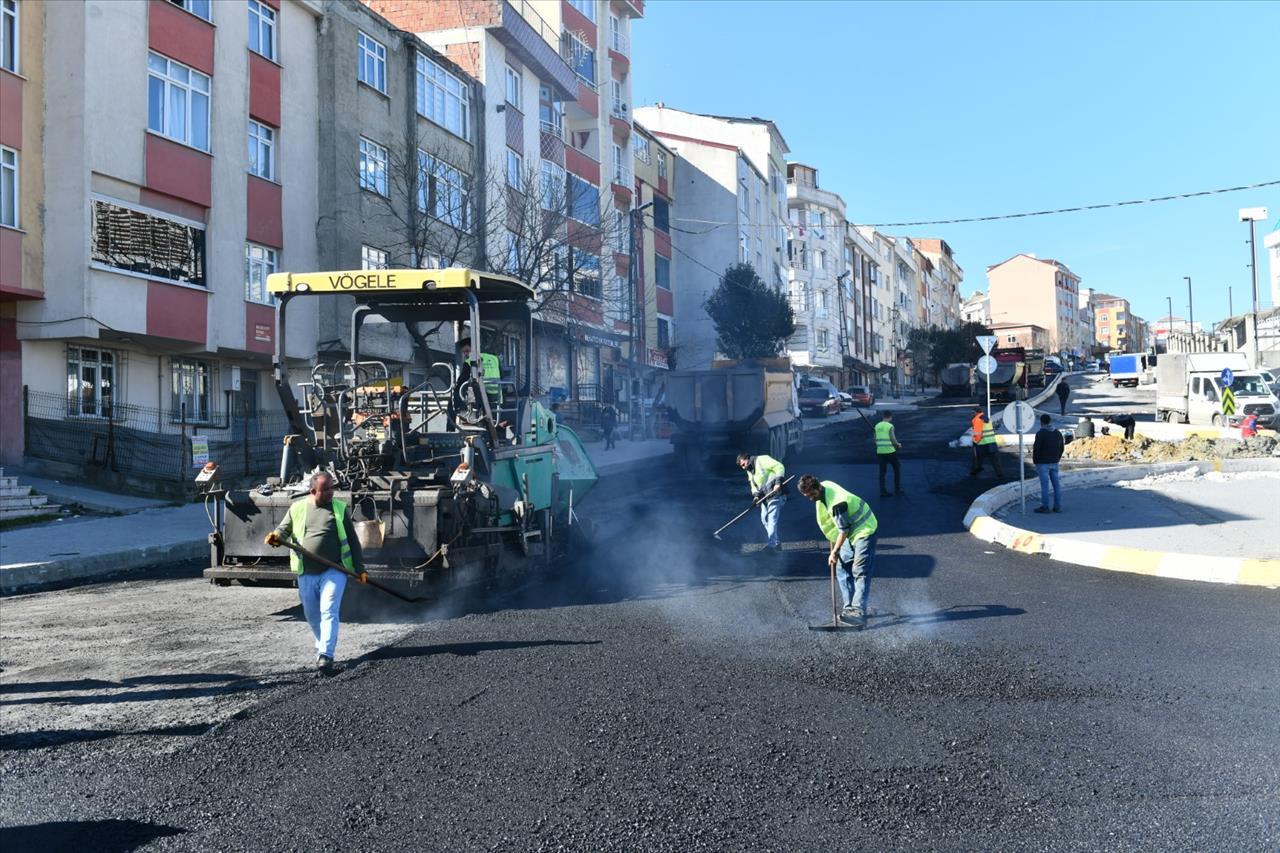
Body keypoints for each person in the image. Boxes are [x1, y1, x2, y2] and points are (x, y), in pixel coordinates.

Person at [265, 472, 367, 673]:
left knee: (328, 610)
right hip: (307, 571)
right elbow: (284, 529)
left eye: (332, 488)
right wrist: (275, 537)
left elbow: (353, 541)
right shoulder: (298, 508)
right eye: (325, 489)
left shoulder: (339, 508)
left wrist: (360, 568)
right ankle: (323, 647)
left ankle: (326, 655)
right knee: (312, 615)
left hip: (334, 569)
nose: (331, 492)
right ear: (313, 491)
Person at [798, 474, 877, 626]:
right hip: (851, 530)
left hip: (864, 529)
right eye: (807, 496)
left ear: (818, 487)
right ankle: (849, 608)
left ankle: (858, 610)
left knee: (860, 571)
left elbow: (843, 531)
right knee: (842, 567)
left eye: (812, 494)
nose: (811, 498)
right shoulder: (825, 484)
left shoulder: (837, 504)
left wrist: (833, 552)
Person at [737, 452, 786, 553]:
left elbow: (779, 466)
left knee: (771, 518)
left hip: (776, 493)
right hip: (765, 497)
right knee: (764, 518)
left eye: (743, 464)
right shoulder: (750, 470)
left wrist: (778, 483)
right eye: (741, 466)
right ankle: (776, 543)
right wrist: (756, 497)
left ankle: (772, 545)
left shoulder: (762, 459)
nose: (743, 467)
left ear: (747, 459)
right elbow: (753, 485)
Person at [1032, 414, 1064, 514]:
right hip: (1054, 462)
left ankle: (1045, 507)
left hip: (1042, 463)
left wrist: (1035, 461)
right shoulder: (1057, 433)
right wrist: (1057, 458)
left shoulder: (1040, 433)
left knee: (1045, 485)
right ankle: (1057, 507)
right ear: (1050, 421)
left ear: (1041, 422)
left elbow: (1036, 449)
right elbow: (1062, 447)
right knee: (1056, 485)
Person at [874, 411, 904, 497]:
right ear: (890, 417)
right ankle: (897, 490)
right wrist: (898, 444)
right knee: (897, 468)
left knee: (882, 472)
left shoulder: (876, 426)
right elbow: (892, 438)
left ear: (883, 416)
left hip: (880, 451)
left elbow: (875, 439)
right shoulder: (890, 426)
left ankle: (882, 491)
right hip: (890, 451)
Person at [969, 408, 1004, 479]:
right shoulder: (986, 418)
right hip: (991, 442)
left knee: (978, 458)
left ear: (977, 412)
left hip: (982, 442)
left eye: (973, 412)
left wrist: (975, 441)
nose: (971, 414)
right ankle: (1000, 474)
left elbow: (978, 433)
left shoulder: (977, 419)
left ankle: (974, 472)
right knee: (994, 459)